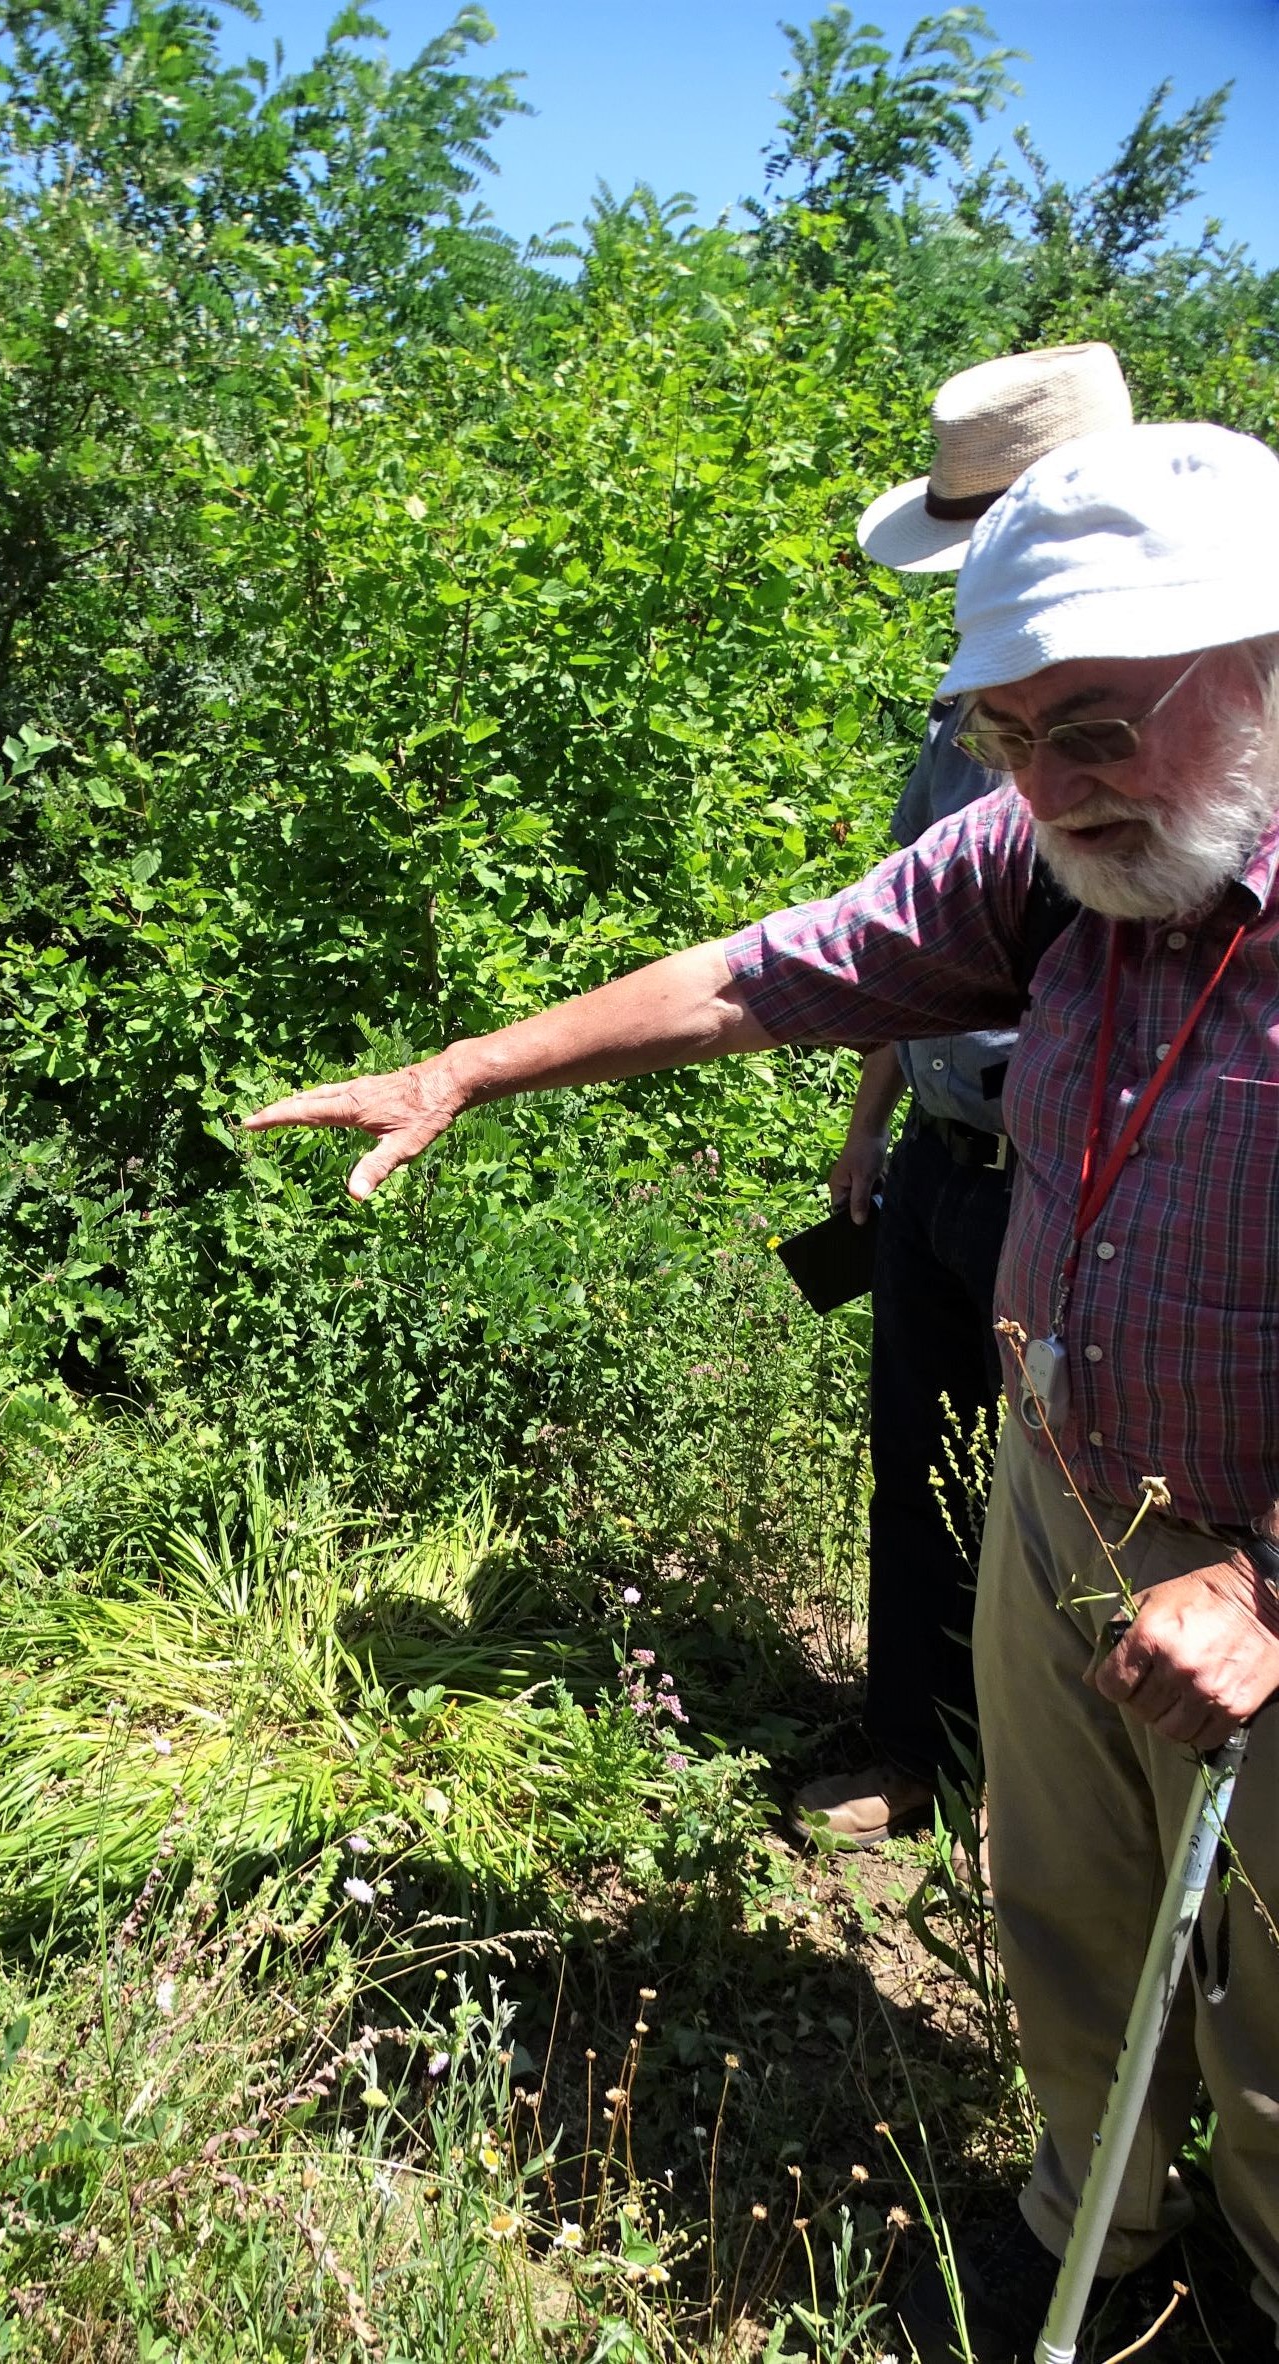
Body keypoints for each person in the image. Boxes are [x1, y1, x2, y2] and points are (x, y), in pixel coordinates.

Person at [246, 421, 1279, 2359]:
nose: (1041, 788)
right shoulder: (1046, 854)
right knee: (1060, 1896)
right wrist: (465, 1065)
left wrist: (1263, 1587)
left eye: (1090, 732)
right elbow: (770, 973)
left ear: (1256, 660)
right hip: (1074, 1485)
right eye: (1001, 739)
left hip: (1260, 1555)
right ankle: (1090, 2228)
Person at [791, 342, 1134, 1850]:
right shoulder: (961, 720)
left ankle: (1060, 1795)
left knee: (1071, 1497)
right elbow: (902, 948)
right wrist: (868, 1126)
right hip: (944, 1155)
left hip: (1074, 1186)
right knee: (918, 1460)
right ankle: (907, 1745)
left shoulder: (1174, 706)